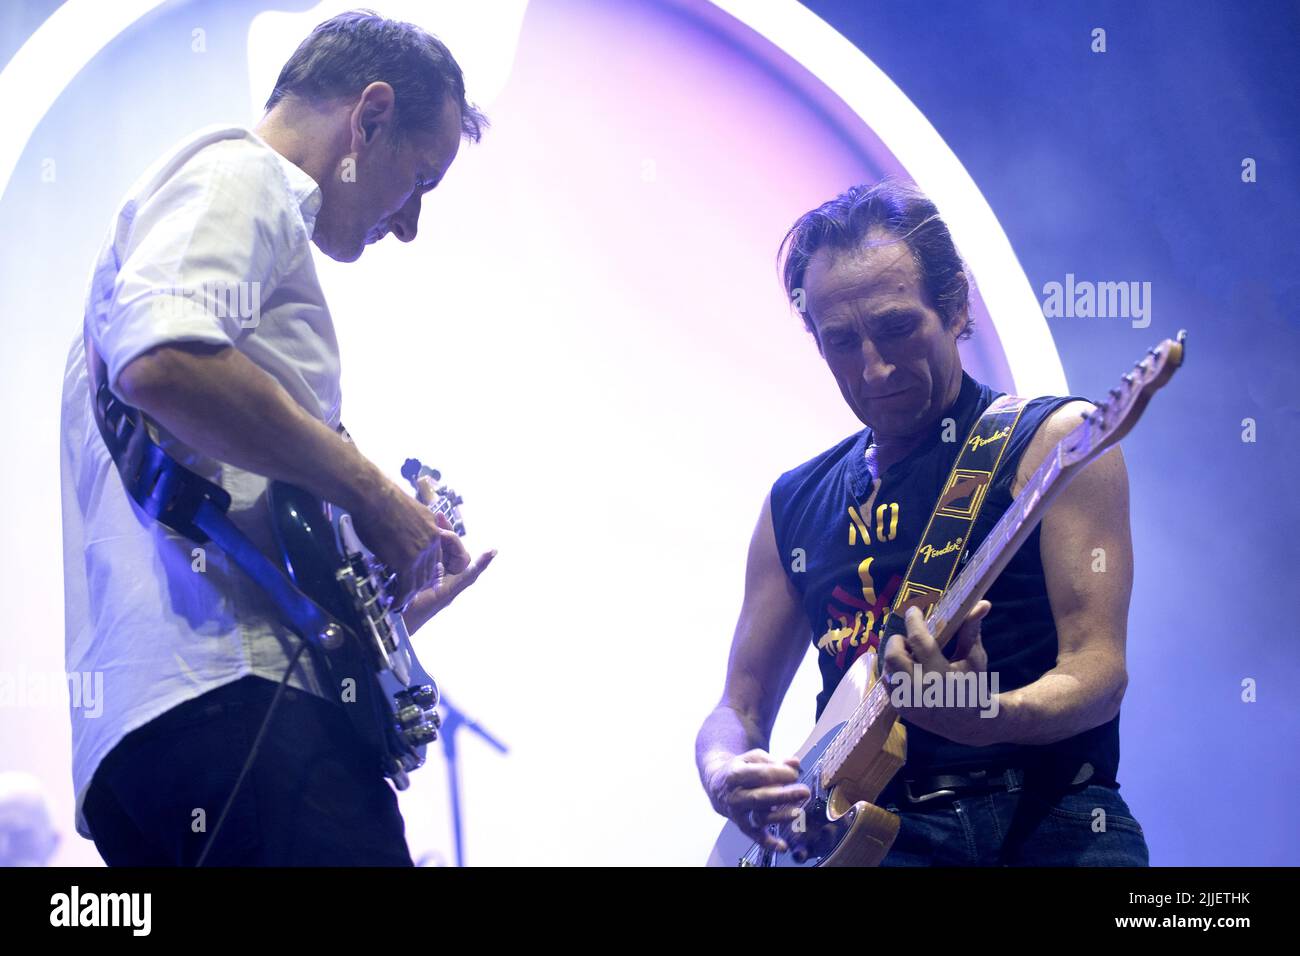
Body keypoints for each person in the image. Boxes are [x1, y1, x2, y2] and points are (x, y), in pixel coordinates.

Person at [60, 10, 494, 866]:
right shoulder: (242, 176)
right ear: (368, 117)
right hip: (242, 713)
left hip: (166, 739)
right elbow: (166, 359)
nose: (408, 225)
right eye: (420, 180)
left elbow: (209, 480)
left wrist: (382, 615)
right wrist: (372, 493)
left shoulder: (190, 232)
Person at [696, 179, 1149, 866]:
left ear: (957, 307)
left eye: (898, 327)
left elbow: (1099, 671)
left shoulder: (1054, 441)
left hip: (1047, 822)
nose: (874, 369)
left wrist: (985, 717)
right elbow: (739, 705)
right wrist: (724, 772)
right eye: (841, 341)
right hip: (864, 837)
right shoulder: (793, 501)